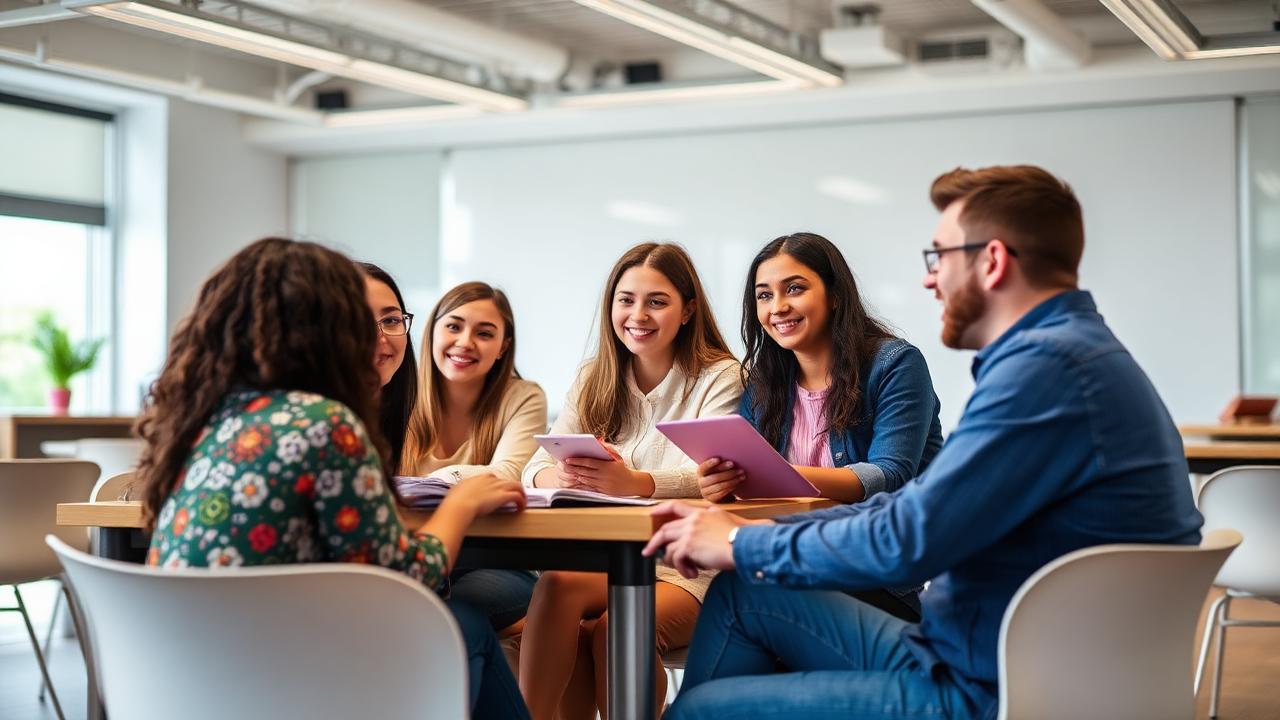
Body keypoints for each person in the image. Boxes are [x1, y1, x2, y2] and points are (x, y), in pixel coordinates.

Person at [643, 166, 1204, 720]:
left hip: (987, 687)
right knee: (743, 597)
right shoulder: (1069, 354)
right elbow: (917, 506)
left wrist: (743, 546)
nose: (929, 280)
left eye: (939, 258)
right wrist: (753, 531)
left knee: (701, 708)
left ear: (992, 261)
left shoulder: (1045, 370)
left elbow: (908, 538)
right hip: (974, 656)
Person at [136, 238, 531, 720]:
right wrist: (460, 505)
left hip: (191, 684)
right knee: (462, 623)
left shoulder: (205, 422)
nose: (373, 339)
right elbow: (408, 580)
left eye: (387, 322)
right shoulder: (325, 424)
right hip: (295, 684)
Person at [519, 242, 742, 719]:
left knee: (613, 629)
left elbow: (714, 480)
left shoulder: (722, 376)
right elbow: (531, 470)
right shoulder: (593, 376)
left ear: (687, 311)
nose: (637, 314)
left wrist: (635, 483)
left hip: (688, 568)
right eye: (626, 299)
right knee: (557, 585)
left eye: (657, 301)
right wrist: (560, 471)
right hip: (610, 558)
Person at [696, 231, 944, 620]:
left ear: (835, 295)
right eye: (764, 295)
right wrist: (722, 484)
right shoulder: (765, 380)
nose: (777, 307)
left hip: (874, 578)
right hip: (788, 563)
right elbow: (751, 485)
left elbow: (891, 474)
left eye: (794, 289)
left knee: (739, 605)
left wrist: (780, 475)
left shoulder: (895, 364)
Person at [400, 281, 548, 630]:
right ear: (431, 331)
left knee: (453, 618)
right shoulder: (400, 393)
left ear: (502, 347)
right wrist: (466, 492)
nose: (465, 342)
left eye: (484, 333)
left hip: (499, 560)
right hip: (416, 552)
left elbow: (508, 472)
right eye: (453, 326)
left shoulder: (523, 396)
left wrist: (437, 483)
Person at [360, 262, 418, 476]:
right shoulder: (325, 422)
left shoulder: (404, 409)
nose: (381, 338)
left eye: (392, 320)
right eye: (360, 321)